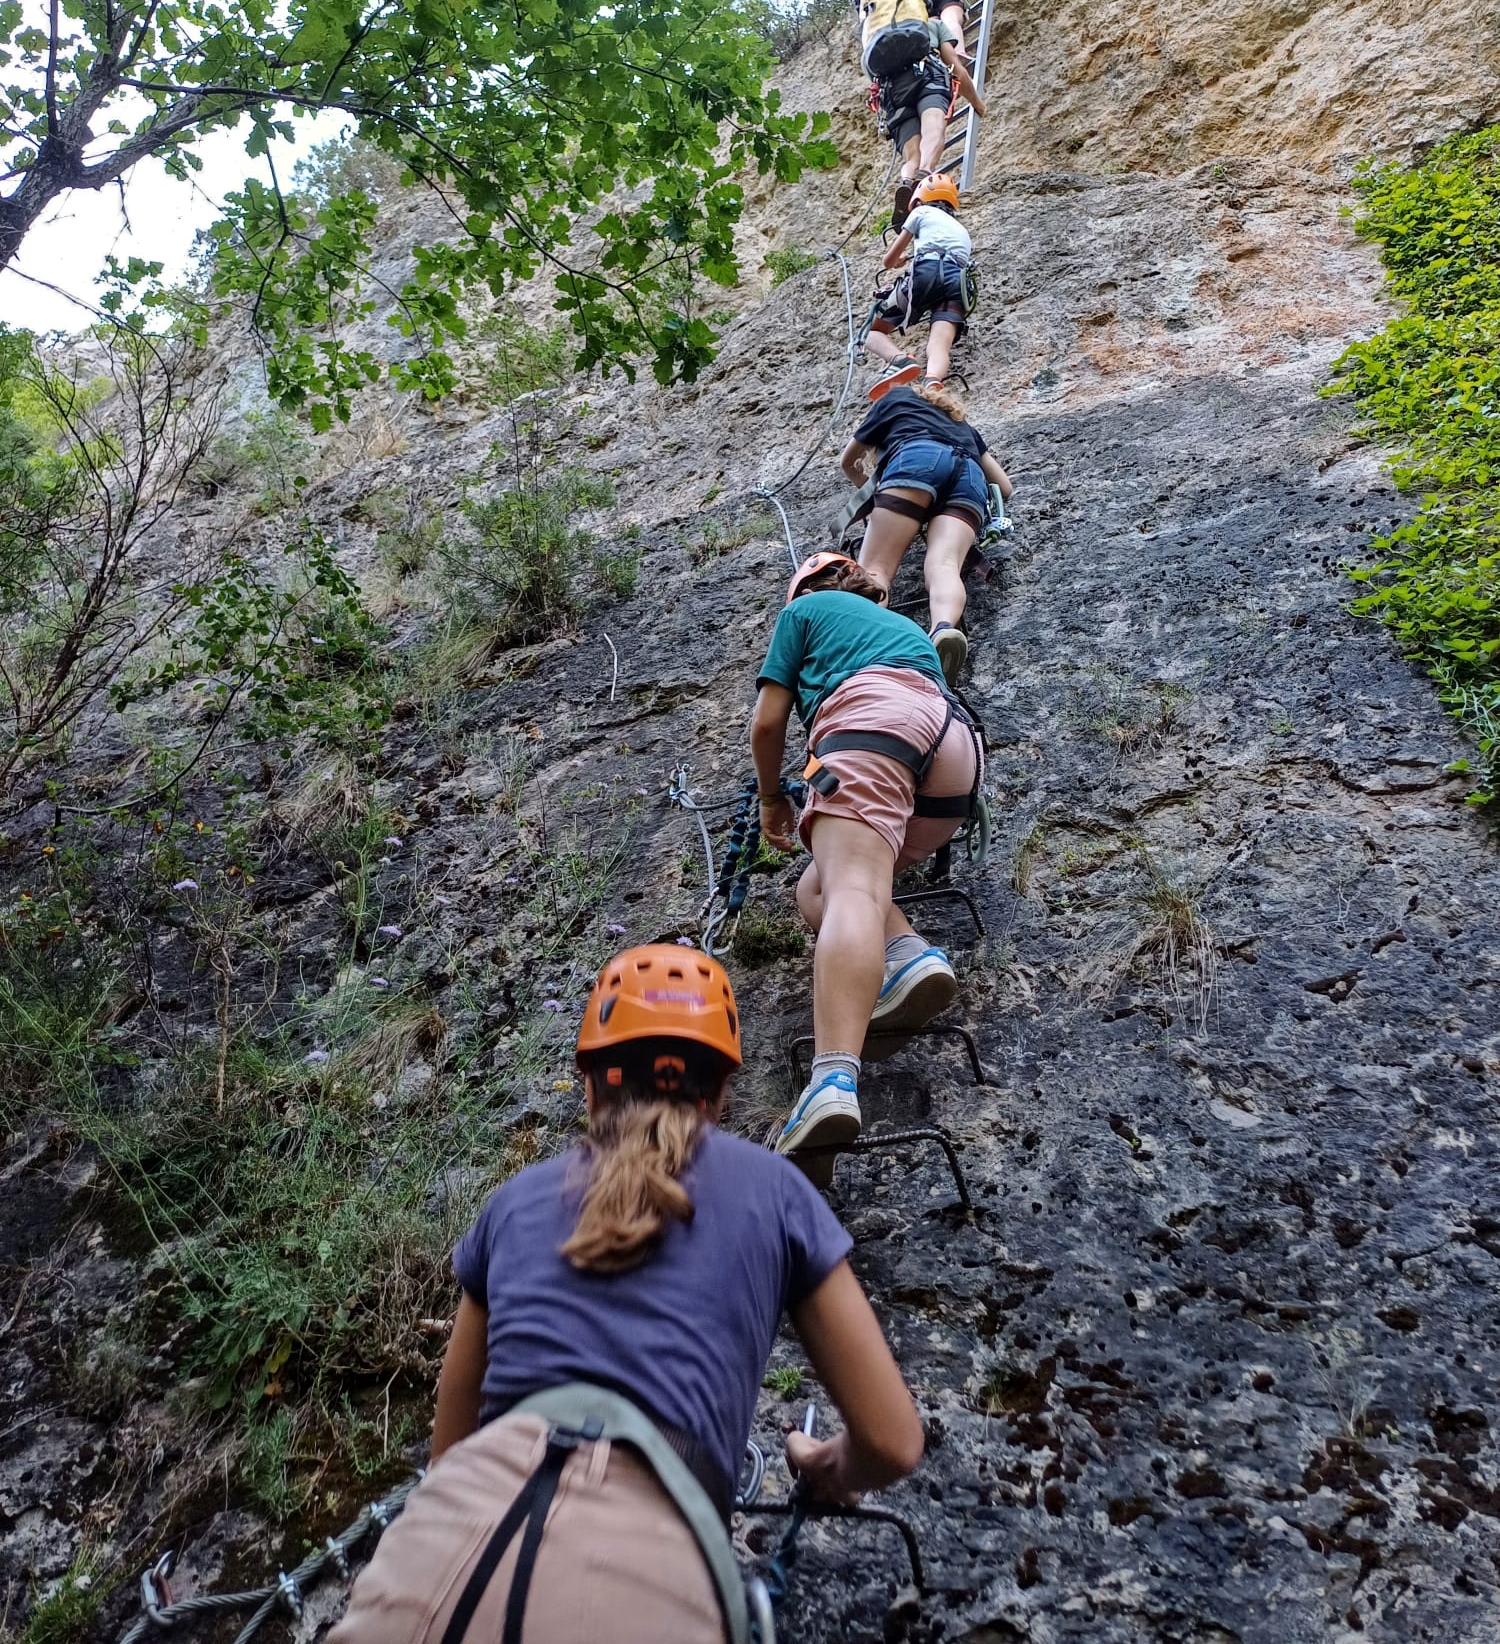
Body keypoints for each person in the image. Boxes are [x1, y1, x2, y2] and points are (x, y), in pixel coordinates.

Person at [327, 946, 924, 1644]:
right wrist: (829, 1466)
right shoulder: (775, 1191)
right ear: (720, 1094)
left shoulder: (513, 1203)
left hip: (432, 1559)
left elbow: (449, 1452)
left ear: (589, 1088)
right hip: (636, 1582)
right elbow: (891, 1440)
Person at [753, 555, 985, 1176]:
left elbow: (768, 723)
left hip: (870, 724)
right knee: (819, 888)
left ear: (803, 590)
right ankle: (906, 954)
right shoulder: (902, 627)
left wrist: (772, 798)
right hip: (953, 752)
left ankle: (831, 1081)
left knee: (850, 887)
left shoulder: (803, 611)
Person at [840, 380, 1013, 683]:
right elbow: (1005, 487)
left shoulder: (895, 398)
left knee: (876, 567)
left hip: (915, 460)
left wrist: (882, 497)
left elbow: (849, 462)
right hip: (969, 476)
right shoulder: (962, 425)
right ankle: (943, 629)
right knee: (945, 565)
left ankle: (862, 650)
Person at [863, 172, 974, 391]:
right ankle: (932, 380)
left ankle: (900, 360)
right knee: (939, 345)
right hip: (957, 283)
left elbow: (888, 261)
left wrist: (897, 261)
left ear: (919, 199)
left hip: (926, 273)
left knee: (870, 332)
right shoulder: (962, 230)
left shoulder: (921, 212)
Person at [877, 37, 953, 232]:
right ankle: (924, 175)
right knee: (932, 130)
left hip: (893, 94)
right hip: (929, 78)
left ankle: (907, 182)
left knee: (912, 157)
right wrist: (978, 103)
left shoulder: (878, 40)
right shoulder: (930, 27)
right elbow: (955, 64)